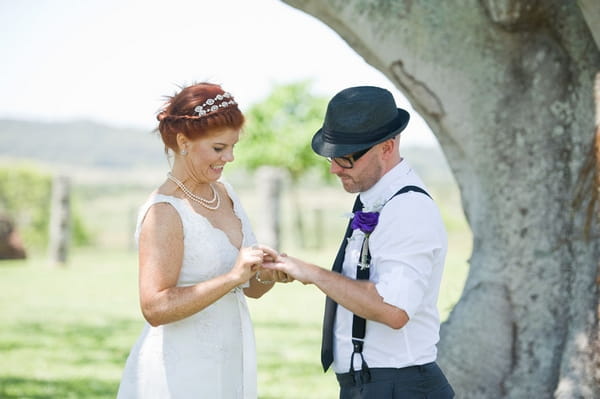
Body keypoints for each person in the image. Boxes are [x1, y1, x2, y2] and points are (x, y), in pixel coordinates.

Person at [263, 86, 455, 398]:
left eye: (346, 158)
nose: (334, 169)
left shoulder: (408, 208)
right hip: (370, 384)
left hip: (399, 386)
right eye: (332, 157)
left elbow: (393, 309)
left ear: (387, 147)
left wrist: (312, 274)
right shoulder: (374, 198)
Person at [117, 82, 289, 399]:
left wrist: (269, 273)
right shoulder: (165, 211)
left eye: (233, 146)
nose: (231, 157)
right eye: (219, 148)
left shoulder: (225, 194)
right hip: (180, 370)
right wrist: (233, 277)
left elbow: (250, 289)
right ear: (183, 142)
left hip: (231, 359)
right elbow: (154, 308)